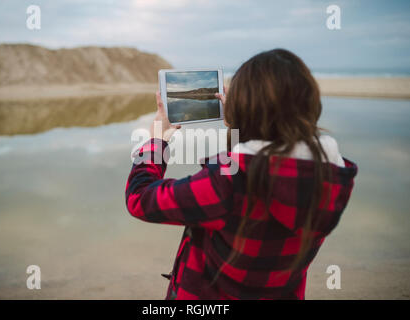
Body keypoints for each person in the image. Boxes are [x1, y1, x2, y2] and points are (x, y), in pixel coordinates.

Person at [125, 49, 357, 300]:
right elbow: (269, 158)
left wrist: (156, 142)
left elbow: (140, 199)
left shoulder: (229, 184)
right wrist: (243, 123)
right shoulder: (332, 175)